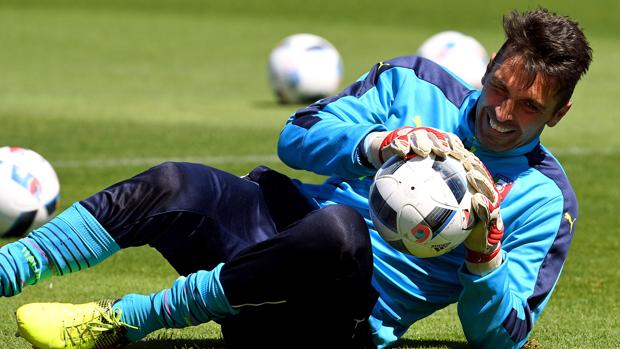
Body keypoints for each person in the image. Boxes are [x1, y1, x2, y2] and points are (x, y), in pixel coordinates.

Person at [1, 7, 591, 349]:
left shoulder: (544, 199)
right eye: (498, 88)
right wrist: (375, 145)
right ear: (487, 67)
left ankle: (124, 321)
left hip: (331, 322)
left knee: (338, 231)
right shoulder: (417, 83)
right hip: (271, 238)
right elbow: (296, 135)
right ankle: (10, 268)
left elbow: (505, 335)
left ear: (558, 114)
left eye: (529, 107)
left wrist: (484, 258)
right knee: (177, 180)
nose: (502, 113)